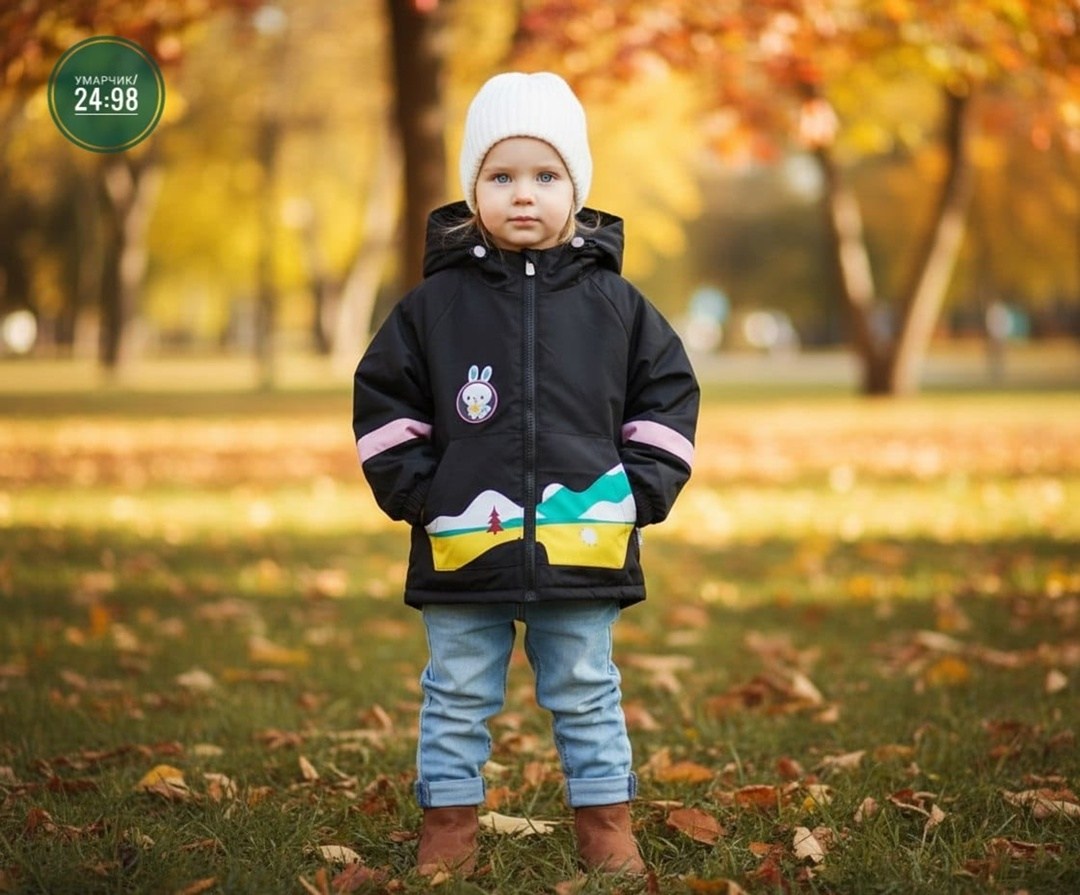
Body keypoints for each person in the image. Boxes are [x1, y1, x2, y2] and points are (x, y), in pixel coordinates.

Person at [353, 71, 699, 877]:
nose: (523, 194)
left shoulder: (617, 305)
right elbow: (385, 403)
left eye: (546, 175)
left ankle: (606, 824)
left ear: (576, 188)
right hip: (464, 544)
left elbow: (667, 396)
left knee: (585, 686)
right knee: (455, 691)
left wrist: (637, 492)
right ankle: (448, 827)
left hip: (584, 544)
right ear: (473, 189)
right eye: (500, 175)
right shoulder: (433, 305)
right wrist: (423, 494)